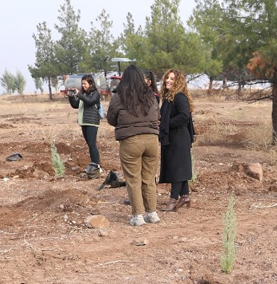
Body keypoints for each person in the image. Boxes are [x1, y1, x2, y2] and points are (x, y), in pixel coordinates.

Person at [106, 65, 161, 227]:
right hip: (151, 141)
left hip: (131, 142)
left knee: (133, 179)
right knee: (149, 178)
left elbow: (111, 118)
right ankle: (152, 213)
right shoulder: (150, 95)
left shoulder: (119, 97)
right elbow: (158, 115)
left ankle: (138, 216)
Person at [158, 69, 194, 212]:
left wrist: (166, 124)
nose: (168, 81)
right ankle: (184, 196)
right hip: (172, 137)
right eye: (167, 78)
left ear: (178, 82)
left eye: (172, 79)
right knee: (177, 167)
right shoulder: (168, 98)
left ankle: (173, 199)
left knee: (177, 168)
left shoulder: (179, 97)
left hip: (179, 137)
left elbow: (184, 116)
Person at [69, 74, 102, 175]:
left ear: (90, 83)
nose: (83, 85)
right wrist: (71, 97)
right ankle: (94, 165)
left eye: (85, 83)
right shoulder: (84, 95)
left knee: (92, 145)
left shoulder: (95, 94)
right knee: (90, 145)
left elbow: (90, 102)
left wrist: (79, 95)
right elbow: (75, 105)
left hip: (92, 122)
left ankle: (97, 166)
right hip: (84, 122)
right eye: (82, 84)